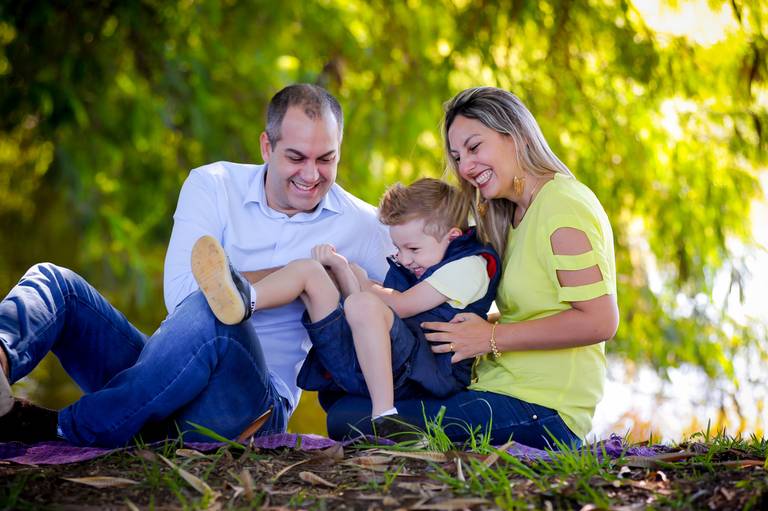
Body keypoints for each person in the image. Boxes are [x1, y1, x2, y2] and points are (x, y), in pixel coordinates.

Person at [0, 83, 393, 447]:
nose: (311, 174)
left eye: (326, 159)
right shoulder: (214, 184)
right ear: (266, 147)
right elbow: (182, 295)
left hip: (253, 405)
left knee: (220, 313)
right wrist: (296, 275)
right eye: (296, 157)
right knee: (55, 283)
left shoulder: (363, 225)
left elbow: (412, 292)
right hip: (164, 373)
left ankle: (62, 428)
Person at [323, 87, 619, 449]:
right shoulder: (510, 215)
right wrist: (471, 329)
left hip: (546, 409)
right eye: (457, 156)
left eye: (474, 148)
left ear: (516, 136)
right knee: (344, 405)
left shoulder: (562, 207)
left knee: (347, 419)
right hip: (498, 388)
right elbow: (535, 313)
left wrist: (490, 338)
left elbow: (600, 321)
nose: (464, 167)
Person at [192, 178, 500, 434]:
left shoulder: (470, 265)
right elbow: (360, 309)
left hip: (424, 373)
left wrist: (360, 280)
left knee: (361, 291)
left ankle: (384, 415)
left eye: (413, 249)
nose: (404, 258)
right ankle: (246, 300)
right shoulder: (421, 261)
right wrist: (343, 271)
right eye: (399, 249)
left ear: (453, 235)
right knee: (310, 270)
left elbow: (403, 306)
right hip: (378, 362)